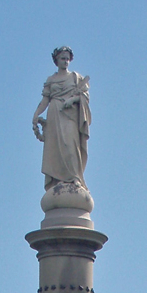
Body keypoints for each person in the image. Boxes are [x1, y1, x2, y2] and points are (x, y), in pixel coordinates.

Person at [32, 47, 91, 189]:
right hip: (54, 116)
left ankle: (75, 177)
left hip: (69, 115)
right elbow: (45, 100)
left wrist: (72, 100)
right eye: (62, 58)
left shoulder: (75, 78)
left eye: (67, 59)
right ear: (56, 60)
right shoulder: (51, 80)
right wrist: (36, 114)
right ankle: (58, 179)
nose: (65, 62)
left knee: (71, 145)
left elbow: (84, 96)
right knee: (55, 148)